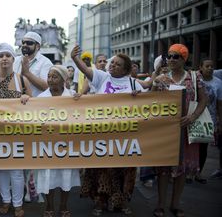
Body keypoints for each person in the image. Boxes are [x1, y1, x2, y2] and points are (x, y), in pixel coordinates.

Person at [71, 45, 144, 216]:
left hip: (125, 136)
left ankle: (121, 202)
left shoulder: (133, 83)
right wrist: (75, 58)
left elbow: (149, 104)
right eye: (112, 63)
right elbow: (85, 69)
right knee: (101, 170)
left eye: (117, 65)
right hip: (102, 134)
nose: (112, 66)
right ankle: (100, 202)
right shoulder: (102, 77)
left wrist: (138, 97)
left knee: (124, 170)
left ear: (126, 70)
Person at [151, 44, 207, 217]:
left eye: (176, 56)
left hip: (186, 129)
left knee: (181, 169)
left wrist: (192, 117)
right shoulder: (162, 77)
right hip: (166, 130)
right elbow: (151, 101)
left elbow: (204, 100)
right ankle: (160, 205)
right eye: (169, 56)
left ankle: (175, 204)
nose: (171, 59)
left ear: (185, 58)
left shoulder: (195, 77)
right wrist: (155, 82)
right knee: (163, 169)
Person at [0, 43, 32, 217]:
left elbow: (34, 103)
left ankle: (18, 204)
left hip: (17, 132)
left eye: (7, 56)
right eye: (1, 56)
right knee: (1, 169)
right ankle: (5, 201)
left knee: (16, 171)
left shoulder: (22, 80)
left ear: (13, 59)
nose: (4, 59)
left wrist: (26, 97)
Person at [35, 65, 80, 217]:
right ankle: (49, 206)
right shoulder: (40, 98)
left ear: (63, 80)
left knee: (65, 175)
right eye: (48, 76)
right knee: (48, 176)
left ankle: (63, 205)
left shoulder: (73, 96)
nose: (50, 80)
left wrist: (79, 100)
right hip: (47, 144)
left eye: (54, 77)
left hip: (66, 144)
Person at [13, 31, 52, 202]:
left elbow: (47, 87)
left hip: (37, 114)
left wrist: (27, 73)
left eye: (29, 43)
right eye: (23, 42)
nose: (25, 46)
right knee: (19, 153)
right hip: (16, 114)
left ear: (38, 46)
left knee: (35, 154)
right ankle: (20, 191)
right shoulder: (15, 60)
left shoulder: (45, 63)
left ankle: (34, 191)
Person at [198, 59, 222, 181]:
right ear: (201, 68)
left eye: (212, 66)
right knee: (192, 147)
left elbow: (219, 105)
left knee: (203, 148)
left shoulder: (218, 83)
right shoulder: (195, 80)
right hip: (195, 117)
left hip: (209, 120)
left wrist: (219, 123)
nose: (210, 68)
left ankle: (199, 173)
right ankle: (189, 172)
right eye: (207, 66)